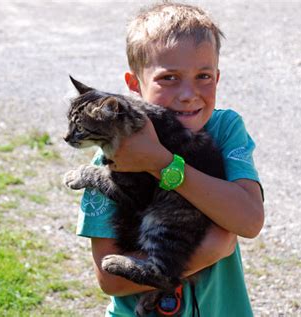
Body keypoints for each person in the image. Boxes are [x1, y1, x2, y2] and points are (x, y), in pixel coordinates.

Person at [75, 2, 264, 316]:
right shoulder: (111, 158)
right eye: (169, 78)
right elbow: (109, 279)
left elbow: (248, 220)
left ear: (217, 78)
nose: (188, 94)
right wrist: (207, 252)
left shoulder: (225, 128)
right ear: (135, 85)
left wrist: (161, 163)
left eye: (203, 76)